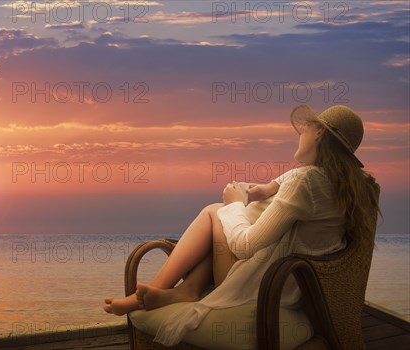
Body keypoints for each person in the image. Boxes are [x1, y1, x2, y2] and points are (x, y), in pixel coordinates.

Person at [103, 104, 380, 346]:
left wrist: (235, 202)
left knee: (214, 212)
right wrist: (265, 189)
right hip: (301, 288)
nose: (301, 133)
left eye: (306, 128)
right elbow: (292, 180)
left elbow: (245, 246)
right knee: (222, 219)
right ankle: (185, 291)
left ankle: (155, 292)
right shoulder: (345, 183)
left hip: (268, 291)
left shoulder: (305, 183)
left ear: (319, 133)